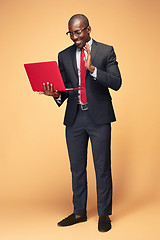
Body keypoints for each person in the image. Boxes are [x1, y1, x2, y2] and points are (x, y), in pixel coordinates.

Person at [42, 14, 122, 232]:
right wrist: (55, 94)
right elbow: (65, 88)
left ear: (88, 29)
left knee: (102, 167)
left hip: (100, 118)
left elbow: (117, 82)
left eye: (77, 32)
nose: (74, 36)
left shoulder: (106, 51)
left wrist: (93, 69)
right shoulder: (64, 55)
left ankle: (104, 214)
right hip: (75, 118)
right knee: (77, 168)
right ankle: (79, 213)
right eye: (70, 32)